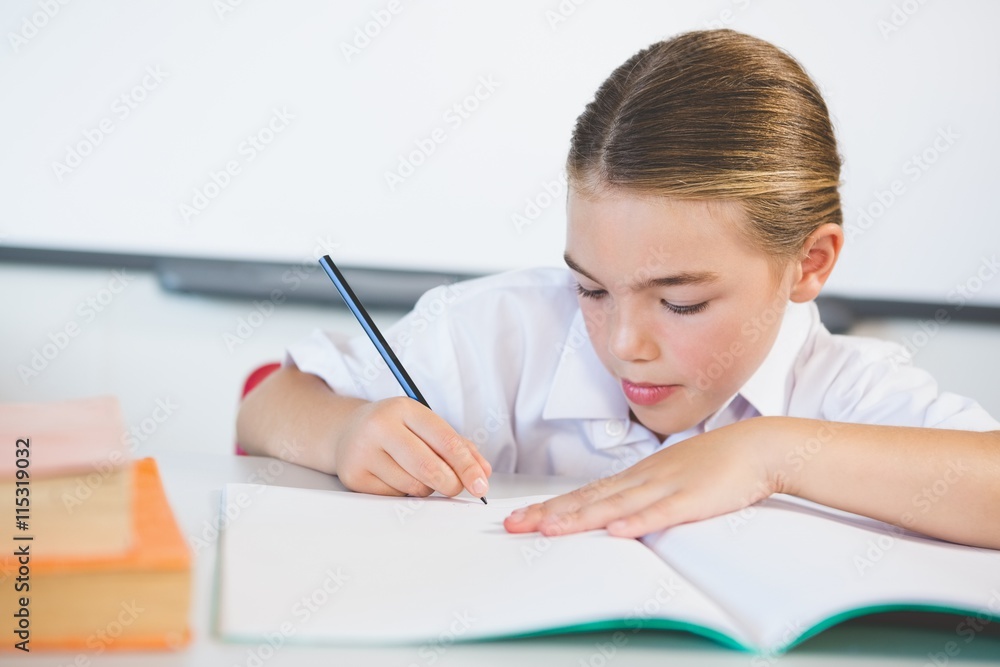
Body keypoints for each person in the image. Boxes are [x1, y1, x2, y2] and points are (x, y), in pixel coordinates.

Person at [236, 29, 1000, 550]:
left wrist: (773, 452)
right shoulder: (502, 332)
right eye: (591, 288)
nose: (622, 342)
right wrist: (344, 433)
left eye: (681, 301)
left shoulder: (840, 389)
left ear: (810, 263)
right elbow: (267, 401)